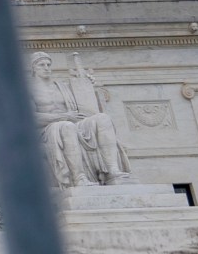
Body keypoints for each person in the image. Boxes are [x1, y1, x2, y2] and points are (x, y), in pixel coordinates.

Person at [31, 52, 132, 187]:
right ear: (34, 68)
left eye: (49, 64)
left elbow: (85, 104)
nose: (46, 68)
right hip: (48, 129)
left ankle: (113, 170)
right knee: (67, 126)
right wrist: (64, 116)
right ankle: (79, 177)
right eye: (41, 65)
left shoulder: (62, 86)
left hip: (72, 121)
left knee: (102, 119)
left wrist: (87, 85)